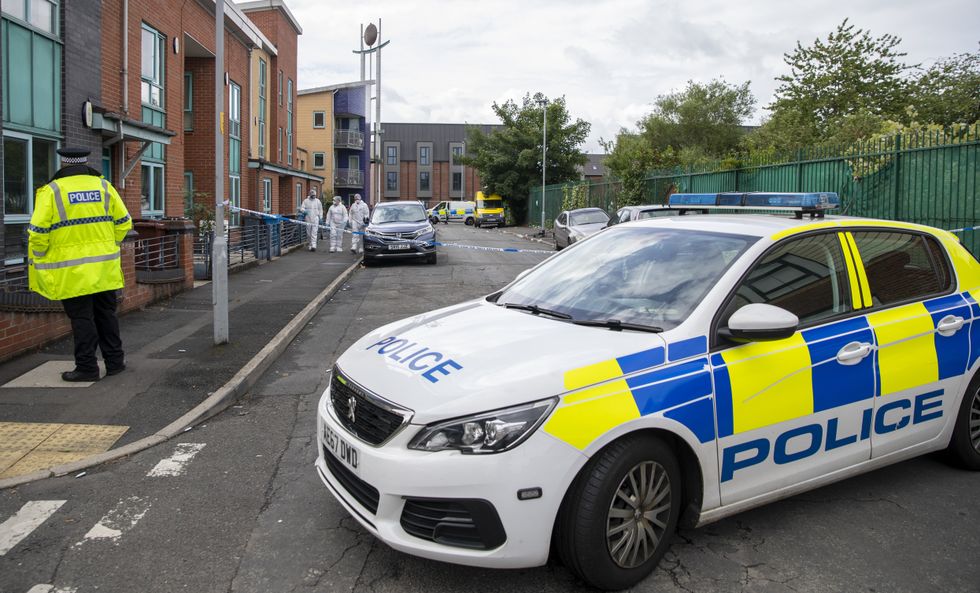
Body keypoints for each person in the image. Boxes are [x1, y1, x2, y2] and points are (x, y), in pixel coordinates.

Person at [28, 147, 133, 382]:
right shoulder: (104, 187)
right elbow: (125, 222)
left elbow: (37, 233)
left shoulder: (52, 191)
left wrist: (42, 255)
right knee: (106, 313)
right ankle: (115, 362)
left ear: (64, 164)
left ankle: (87, 368)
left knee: (82, 318)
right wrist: (108, 243)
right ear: (85, 163)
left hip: (72, 270)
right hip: (104, 267)